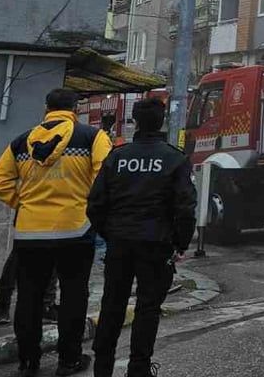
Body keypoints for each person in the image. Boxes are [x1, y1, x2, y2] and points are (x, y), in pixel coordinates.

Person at [0, 89, 112, 377]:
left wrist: (23, 202)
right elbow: (104, 178)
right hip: (75, 230)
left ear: (46, 108)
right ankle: (68, 360)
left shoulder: (22, 141)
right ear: (75, 108)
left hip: (30, 232)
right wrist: (87, 205)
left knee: (29, 296)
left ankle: (28, 361)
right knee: (73, 296)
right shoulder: (91, 138)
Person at [88, 98, 195, 377]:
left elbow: (95, 204)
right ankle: (139, 368)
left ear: (135, 121)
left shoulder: (117, 157)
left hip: (120, 242)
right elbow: (185, 208)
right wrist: (179, 244)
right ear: (162, 122)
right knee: (148, 308)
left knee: (112, 305)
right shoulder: (175, 158)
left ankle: (102, 368)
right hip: (156, 244)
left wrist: (109, 233)